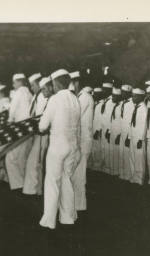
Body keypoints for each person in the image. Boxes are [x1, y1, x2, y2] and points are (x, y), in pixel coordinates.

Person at [38, 69, 81, 229]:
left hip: (57, 146)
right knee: (66, 180)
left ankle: (49, 221)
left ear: (56, 83)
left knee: (52, 182)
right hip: (72, 145)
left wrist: (41, 125)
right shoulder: (75, 99)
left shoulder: (55, 99)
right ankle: (68, 217)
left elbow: (43, 126)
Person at [4, 73, 33, 190]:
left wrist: (9, 121)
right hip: (29, 129)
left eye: (14, 82)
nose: (13, 85)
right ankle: (24, 184)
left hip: (19, 129)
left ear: (18, 81)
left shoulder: (18, 93)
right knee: (23, 158)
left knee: (10, 158)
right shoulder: (29, 93)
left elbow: (13, 110)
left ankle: (18, 185)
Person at [23, 73, 49, 196]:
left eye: (33, 85)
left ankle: (36, 190)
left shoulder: (43, 97)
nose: (31, 88)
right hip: (36, 133)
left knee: (37, 162)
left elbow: (41, 115)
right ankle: (36, 189)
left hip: (42, 133)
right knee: (35, 162)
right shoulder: (36, 96)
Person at [72, 76, 95, 211]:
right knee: (76, 175)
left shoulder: (84, 97)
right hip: (80, 141)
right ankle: (76, 204)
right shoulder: (80, 97)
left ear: (77, 83)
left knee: (79, 176)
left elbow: (74, 115)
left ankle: (79, 206)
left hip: (83, 142)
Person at [128, 88, 148, 185]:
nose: (132, 97)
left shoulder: (143, 109)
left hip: (139, 138)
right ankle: (133, 177)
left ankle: (139, 179)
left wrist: (141, 139)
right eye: (132, 95)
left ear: (140, 97)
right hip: (133, 135)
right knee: (132, 157)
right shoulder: (136, 107)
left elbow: (144, 125)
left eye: (135, 96)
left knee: (139, 159)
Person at [118, 84, 134, 180]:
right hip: (122, 131)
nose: (122, 94)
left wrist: (128, 136)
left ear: (128, 93)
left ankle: (128, 175)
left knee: (128, 154)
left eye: (124, 92)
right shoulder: (123, 103)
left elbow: (131, 122)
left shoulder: (132, 104)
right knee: (122, 153)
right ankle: (123, 174)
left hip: (128, 133)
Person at [107, 88, 123, 176]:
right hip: (112, 131)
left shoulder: (121, 106)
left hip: (118, 133)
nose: (112, 98)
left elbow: (122, 122)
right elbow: (111, 120)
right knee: (112, 153)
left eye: (114, 96)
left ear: (119, 97)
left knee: (117, 154)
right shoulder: (115, 106)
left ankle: (117, 172)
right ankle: (113, 171)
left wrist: (119, 134)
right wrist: (109, 131)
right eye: (112, 96)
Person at [99, 82, 114, 174]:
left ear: (109, 90)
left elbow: (111, 119)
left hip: (108, 130)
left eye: (105, 89)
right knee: (103, 149)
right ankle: (104, 168)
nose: (103, 91)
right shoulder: (105, 101)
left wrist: (109, 130)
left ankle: (108, 170)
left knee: (108, 150)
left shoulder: (112, 102)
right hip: (103, 128)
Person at [88, 87, 104, 171]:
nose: (95, 96)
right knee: (92, 148)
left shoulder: (102, 105)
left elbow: (102, 119)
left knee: (98, 148)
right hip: (92, 128)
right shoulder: (94, 103)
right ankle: (92, 164)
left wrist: (98, 130)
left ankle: (98, 166)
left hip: (97, 130)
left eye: (97, 94)